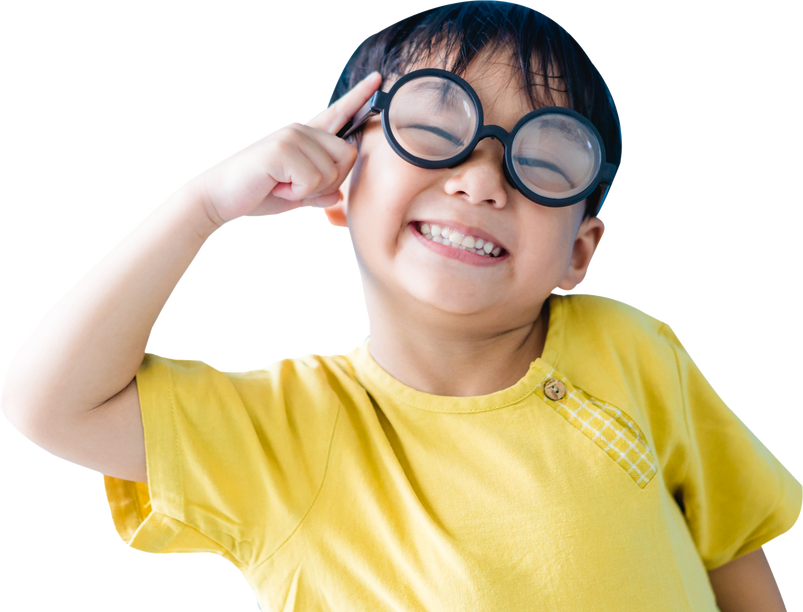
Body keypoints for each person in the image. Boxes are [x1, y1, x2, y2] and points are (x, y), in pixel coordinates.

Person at [1, 2, 799, 611]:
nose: (482, 179)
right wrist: (203, 203)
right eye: (433, 130)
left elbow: (724, 544)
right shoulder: (283, 433)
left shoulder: (627, 349)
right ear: (337, 194)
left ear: (579, 254)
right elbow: (47, 405)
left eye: (543, 158)